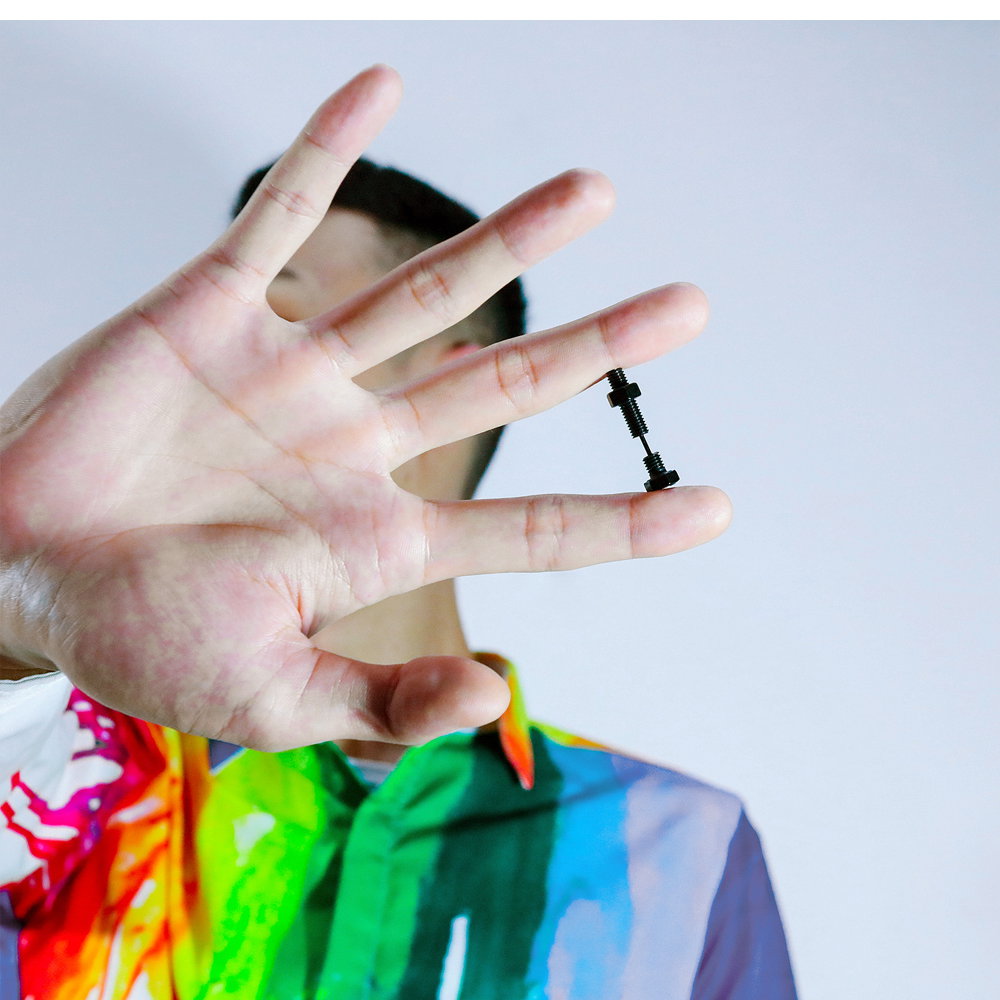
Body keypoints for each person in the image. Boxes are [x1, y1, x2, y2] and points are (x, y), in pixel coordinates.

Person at [0, 66, 796, 998]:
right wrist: (14, 603)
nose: (218, 374)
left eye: (281, 314)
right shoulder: (55, 767)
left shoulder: (683, 857)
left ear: (453, 379)